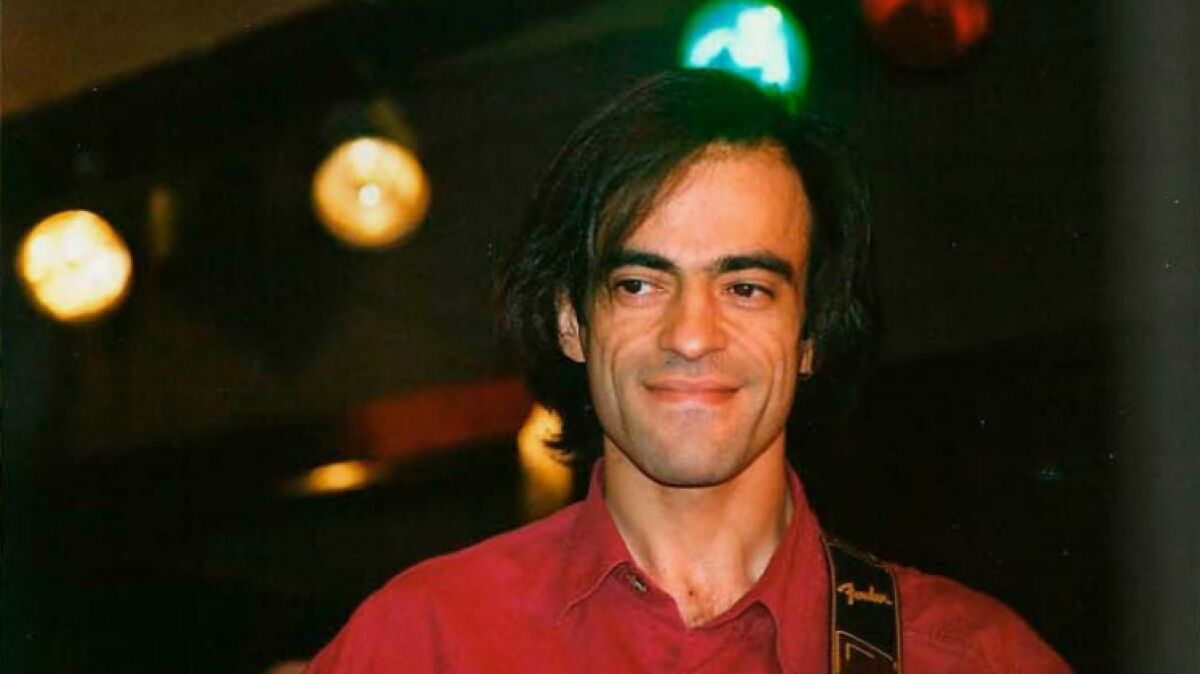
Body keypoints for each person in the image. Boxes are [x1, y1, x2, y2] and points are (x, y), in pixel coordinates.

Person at [305, 69, 1072, 673]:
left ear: (811, 333)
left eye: (746, 288)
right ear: (572, 321)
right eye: (640, 285)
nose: (692, 336)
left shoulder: (972, 657)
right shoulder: (423, 644)